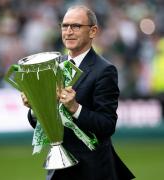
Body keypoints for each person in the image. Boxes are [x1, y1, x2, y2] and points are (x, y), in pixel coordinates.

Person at [21, 5, 135, 180]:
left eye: (76, 26)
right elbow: (44, 124)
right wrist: (36, 108)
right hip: (58, 169)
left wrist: (75, 108)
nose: (69, 31)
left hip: (92, 171)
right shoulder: (52, 65)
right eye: (65, 26)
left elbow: (107, 125)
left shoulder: (104, 70)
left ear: (93, 31)